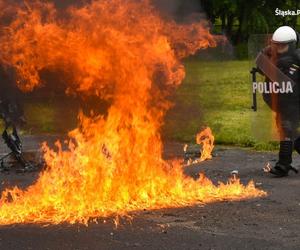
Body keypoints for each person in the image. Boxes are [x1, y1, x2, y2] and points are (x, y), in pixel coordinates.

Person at [258, 26, 300, 177]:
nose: (279, 48)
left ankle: (283, 165)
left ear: (292, 44)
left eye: (284, 45)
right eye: (277, 44)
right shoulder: (271, 56)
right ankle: (283, 165)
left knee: (286, 130)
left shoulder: (297, 58)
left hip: (294, 103)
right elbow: (259, 62)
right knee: (291, 132)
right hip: (280, 103)